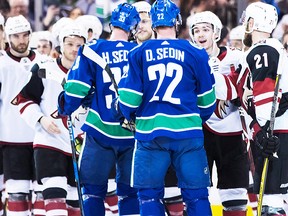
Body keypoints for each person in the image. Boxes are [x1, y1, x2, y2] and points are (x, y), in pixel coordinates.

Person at [113, 0, 216, 215]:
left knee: (149, 197)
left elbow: (130, 100)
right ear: (177, 21)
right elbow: (207, 101)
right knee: (197, 196)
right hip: (188, 134)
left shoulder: (138, 53)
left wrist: (129, 115)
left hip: (151, 135)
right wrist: (196, 119)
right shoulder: (196, 53)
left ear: (153, 24)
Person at [57, 3, 141, 216]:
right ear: (133, 28)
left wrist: (64, 105)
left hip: (99, 130)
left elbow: (75, 90)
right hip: (133, 132)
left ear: (111, 23)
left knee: (92, 192)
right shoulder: (139, 52)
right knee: (130, 193)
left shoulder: (92, 49)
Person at [12, 21, 87, 216]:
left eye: (79, 45)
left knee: (74, 202)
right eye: (69, 44)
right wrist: (41, 119)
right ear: (61, 45)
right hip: (49, 143)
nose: (74, 49)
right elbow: (23, 100)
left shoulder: (90, 74)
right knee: (55, 196)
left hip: (77, 145)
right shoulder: (45, 68)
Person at [189, 11, 250, 216]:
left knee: (235, 197)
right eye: (196, 30)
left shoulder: (237, 57)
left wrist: (215, 74)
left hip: (232, 135)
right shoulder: (188, 59)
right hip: (199, 134)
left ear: (215, 33)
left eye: (205, 29)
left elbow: (239, 91)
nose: (200, 34)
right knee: (194, 194)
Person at [239, 2, 288, 214]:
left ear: (252, 22)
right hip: (278, 132)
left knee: (272, 202)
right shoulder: (276, 48)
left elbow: (266, 98)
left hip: (274, 135)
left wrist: (262, 132)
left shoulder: (262, 50)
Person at [0, 15, 43, 216]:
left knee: (43, 196)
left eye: (24, 35)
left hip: (42, 140)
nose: (21, 40)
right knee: (17, 196)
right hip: (11, 139)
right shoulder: (1, 65)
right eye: (15, 36)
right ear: (8, 37)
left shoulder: (44, 62)